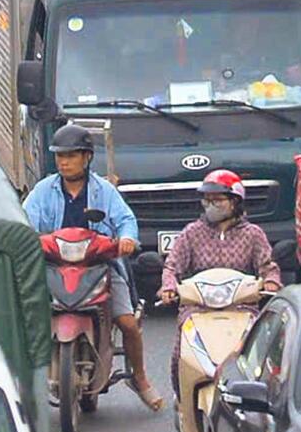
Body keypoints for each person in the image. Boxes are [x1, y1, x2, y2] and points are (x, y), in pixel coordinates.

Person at [23, 124, 161, 409]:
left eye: (71, 155)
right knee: (23, 317)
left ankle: (140, 378)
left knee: (128, 323)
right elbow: (24, 220)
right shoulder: (43, 191)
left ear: (86, 157)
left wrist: (127, 239)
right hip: (53, 268)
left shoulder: (104, 191)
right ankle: (21, 383)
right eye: (60, 156)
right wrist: (25, 238)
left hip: (99, 266)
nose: (64, 162)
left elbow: (125, 220)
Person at [158, 171, 284, 321]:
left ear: (235, 202)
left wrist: (271, 281)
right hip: (197, 308)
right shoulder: (192, 232)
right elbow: (172, 267)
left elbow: (268, 266)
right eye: (207, 200)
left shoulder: (253, 234)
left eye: (217, 200)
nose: (211, 206)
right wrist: (168, 287)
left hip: (242, 307)